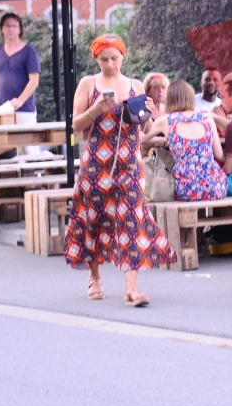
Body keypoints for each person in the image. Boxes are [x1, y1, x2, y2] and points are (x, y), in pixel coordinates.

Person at [65, 34, 175, 306]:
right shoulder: (88, 84)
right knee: (94, 218)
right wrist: (96, 109)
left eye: (114, 58)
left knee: (132, 220)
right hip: (96, 164)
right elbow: (76, 125)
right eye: (104, 59)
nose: (110, 64)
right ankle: (95, 277)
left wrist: (149, 112)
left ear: (123, 57)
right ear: (97, 59)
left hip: (129, 163)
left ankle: (131, 289)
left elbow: (145, 130)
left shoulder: (135, 85)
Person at [150, 80, 226, 202]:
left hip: (187, 189)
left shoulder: (166, 120)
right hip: (216, 187)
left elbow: (142, 139)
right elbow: (219, 154)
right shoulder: (206, 118)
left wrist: (163, 139)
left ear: (169, 99)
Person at [0, 13, 41, 128]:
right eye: (7, 26)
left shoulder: (29, 52)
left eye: (14, 26)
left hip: (25, 110)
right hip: (2, 109)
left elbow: (34, 81)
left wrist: (20, 100)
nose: (10, 29)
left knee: (29, 145)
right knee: (3, 145)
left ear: (20, 29)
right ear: (2, 29)